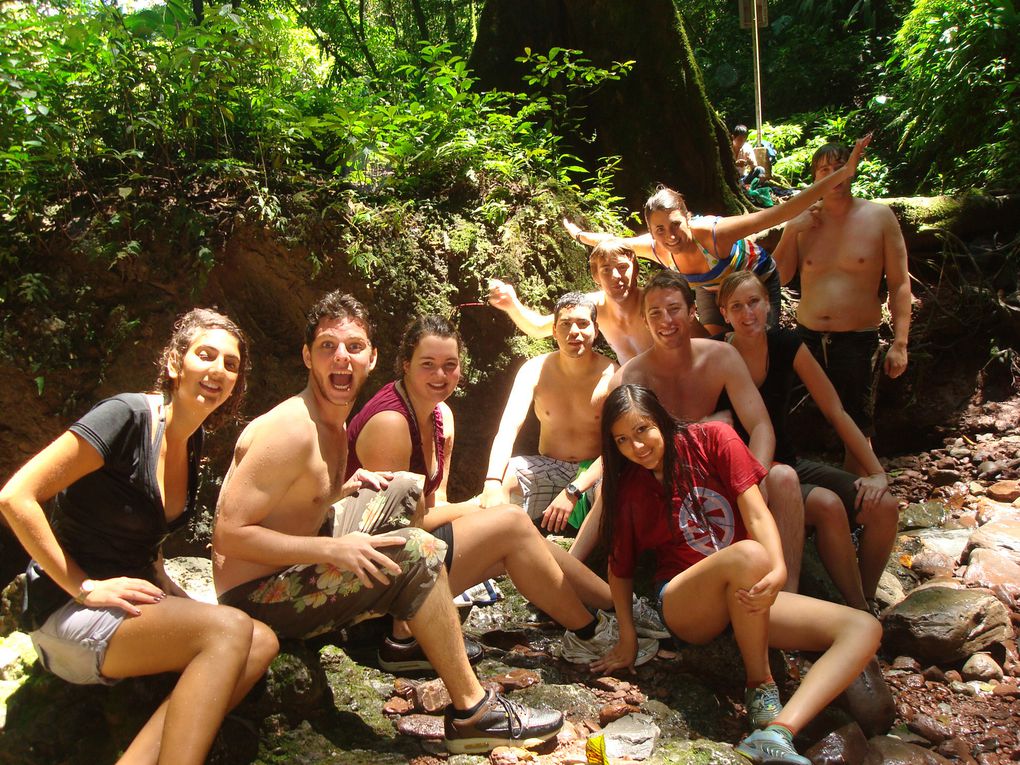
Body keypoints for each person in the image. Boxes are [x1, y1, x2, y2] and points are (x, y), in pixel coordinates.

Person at [212, 291, 563, 754]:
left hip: (293, 559)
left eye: (354, 347)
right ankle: (473, 711)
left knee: (397, 488)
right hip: (256, 598)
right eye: (327, 347)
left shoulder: (333, 422)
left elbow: (299, 501)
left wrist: (343, 489)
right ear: (307, 356)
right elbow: (228, 535)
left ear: (372, 356)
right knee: (417, 549)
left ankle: (403, 626)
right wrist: (330, 550)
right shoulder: (292, 428)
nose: (342, 358)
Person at [0, 308, 279, 765]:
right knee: (228, 629)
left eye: (231, 365)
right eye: (206, 355)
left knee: (261, 639)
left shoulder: (193, 440)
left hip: (127, 609)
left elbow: (145, 541)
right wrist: (84, 586)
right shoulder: (126, 416)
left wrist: (174, 594)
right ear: (174, 362)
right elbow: (17, 497)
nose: (218, 371)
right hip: (67, 612)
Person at [347, 314, 665, 668]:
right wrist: (480, 505)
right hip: (371, 572)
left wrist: (479, 512)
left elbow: (438, 504)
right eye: (428, 365)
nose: (440, 375)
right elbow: (396, 529)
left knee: (516, 532)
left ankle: (622, 608)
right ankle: (591, 635)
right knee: (510, 523)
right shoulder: (391, 423)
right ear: (405, 364)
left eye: (449, 365)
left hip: (411, 555)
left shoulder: (441, 416)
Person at [593, 384, 881, 765]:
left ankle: (776, 733)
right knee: (746, 554)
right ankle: (760, 686)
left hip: (748, 595)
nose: (637, 446)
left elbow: (756, 510)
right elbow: (620, 569)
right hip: (687, 603)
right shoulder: (627, 487)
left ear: (660, 418)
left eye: (643, 429)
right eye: (623, 440)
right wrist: (627, 639)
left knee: (864, 628)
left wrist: (778, 569)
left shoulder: (713, 438)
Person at [596, 270, 806, 592]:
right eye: (655, 313)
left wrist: (756, 477)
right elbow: (619, 452)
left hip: (722, 469)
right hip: (668, 481)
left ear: (692, 311)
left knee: (785, 478)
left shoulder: (721, 356)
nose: (666, 320)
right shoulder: (630, 377)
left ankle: (788, 595)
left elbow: (761, 425)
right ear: (645, 320)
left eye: (674, 309)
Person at [715, 271, 900, 609]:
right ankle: (853, 608)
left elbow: (836, 411)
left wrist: (876, 472)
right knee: (827, 505)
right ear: (724, 314)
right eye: (736, 307)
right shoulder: (717, 354)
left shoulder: (786, 345)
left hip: (790, 461)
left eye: (754, 302)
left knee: (884, 506)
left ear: (768, 304)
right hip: (751, 476)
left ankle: (867, 596)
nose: (747, 314)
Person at [563, 135, 873, 335]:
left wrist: (842, 175)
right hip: (711, 290)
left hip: (757, 278)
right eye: (660, 230)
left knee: (760, 339)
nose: (670, 235)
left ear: (687, 217)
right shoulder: (655, 247)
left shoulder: (714, 234)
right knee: (717, 344)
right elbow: (611, 241)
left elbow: (778, 213)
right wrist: (579, 235)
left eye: (675, 225)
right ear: (652, 232)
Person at [772, 141, 911, 473]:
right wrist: (790, 230)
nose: (832, 176)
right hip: (806, 338)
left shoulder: (878, 217)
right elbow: (778, 275)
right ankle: (799, 496)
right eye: (823, 170)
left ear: (851, 171)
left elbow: (899, 282)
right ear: (814, 177)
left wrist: (901, 343)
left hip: (857, 341)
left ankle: (860, 506)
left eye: (839, 168)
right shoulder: (805, 221)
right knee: (783, 416)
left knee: (857, 427)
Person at [488, 239, 707, 365]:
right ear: (596, 277)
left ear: (635, 269)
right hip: (636, 391)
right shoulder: (592, 307)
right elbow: (538, 328)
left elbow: (705, 342)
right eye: (606, 270)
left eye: (622, 267)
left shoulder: (654, 302)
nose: (616, 276)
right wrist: (511, 304)